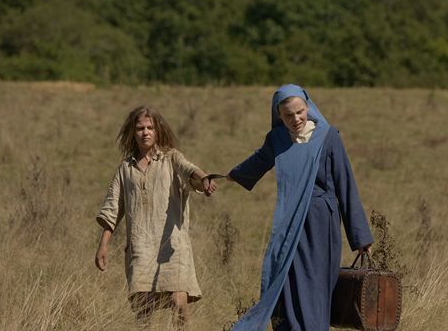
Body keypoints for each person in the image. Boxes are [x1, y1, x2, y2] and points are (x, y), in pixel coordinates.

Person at [227, 84, 374, 330]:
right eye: (288, 115)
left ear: (308, 107)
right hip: (288, 223)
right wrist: (231, 175)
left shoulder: (328, 137)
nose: (295, 119)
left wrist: (360, 237)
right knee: (286, 282)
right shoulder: (277, 139)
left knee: (314, 286)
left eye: (299, 112)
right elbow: (259, 161)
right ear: (279, 116)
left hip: (320, 225)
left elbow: (345, 184)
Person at [94, 105, 217, 327]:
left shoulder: (171, 158)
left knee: (179, 301)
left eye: (150, 127)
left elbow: (190, 170)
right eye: (140, 128)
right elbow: (113, 209)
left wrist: (205, 178)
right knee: (143, 308)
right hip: (140, 246)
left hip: (173, 246)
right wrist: (103, 246)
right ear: (133, 132)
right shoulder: (125, 169)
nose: (145, 132)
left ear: (158, 130)